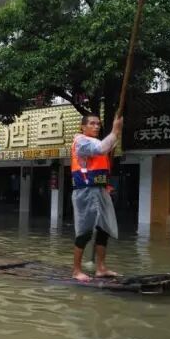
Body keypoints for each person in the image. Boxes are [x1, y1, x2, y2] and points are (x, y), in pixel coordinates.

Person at [71, 114, 123, 281]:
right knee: (85, 232)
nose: (96, 126)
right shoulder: (81, 141)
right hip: (86, 191)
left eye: (98, 124)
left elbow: (106, 148)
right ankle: (76, 270)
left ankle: (101, 268)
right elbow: (101, 148)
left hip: (100, 190)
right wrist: (115, 130)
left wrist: (115, 134)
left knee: (104, 229)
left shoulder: (94, 142)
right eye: (92, 124)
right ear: (83, 127)